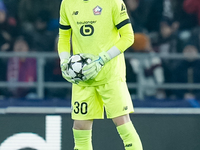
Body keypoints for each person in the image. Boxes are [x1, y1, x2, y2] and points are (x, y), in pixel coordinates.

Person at [57, 0, 143, 149]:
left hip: (110, 75)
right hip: (83, 76)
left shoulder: (113, 2)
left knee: (122, 123)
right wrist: (64, 61)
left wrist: (102, 59)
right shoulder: (67, 3)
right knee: (80, 127)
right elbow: (64, 37)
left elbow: (128, 37)